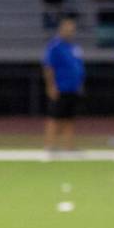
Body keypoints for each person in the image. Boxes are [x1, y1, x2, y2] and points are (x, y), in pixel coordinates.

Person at [42, 16, 85, 152]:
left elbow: (78, 67)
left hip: (73, 88)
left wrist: (79, 83)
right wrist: (51, 86)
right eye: (67, 29)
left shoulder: (74, 47)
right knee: (54, 117)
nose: (69, 32)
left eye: (72, 29)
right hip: (60, 87)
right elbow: (48, 68)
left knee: (69, 118)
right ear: (61, 29)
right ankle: (49, 145)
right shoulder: (54, 46)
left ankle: (68, 145)